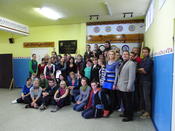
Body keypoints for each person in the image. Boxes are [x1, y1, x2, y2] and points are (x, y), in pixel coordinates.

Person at [117, 51, 136, 122]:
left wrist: (129, 87)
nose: (125, 55)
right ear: (122, 56)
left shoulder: (131, 63)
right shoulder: (122, 63)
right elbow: (120, 75)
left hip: (127, 87)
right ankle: (125, 113)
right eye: (124, 54)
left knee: (128, 103)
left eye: (126, 54)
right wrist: (118, 85)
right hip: (122, 87)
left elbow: (132, 76)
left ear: (129, 56)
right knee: (124, 102)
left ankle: (129, 116)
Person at [138, 47, 153, 119]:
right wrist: (140, 69)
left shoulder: (149, 60)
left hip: (146, 81)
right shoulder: (142, 60)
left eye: (146, 52)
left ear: (148, 52)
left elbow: (145, 71)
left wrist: (141, 70)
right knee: (142, 97)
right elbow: (139, 69)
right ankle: (143, 110)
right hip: (141, 80)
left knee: (146, 97)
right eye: (143, 52)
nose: (144, 53)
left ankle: (148, 113)